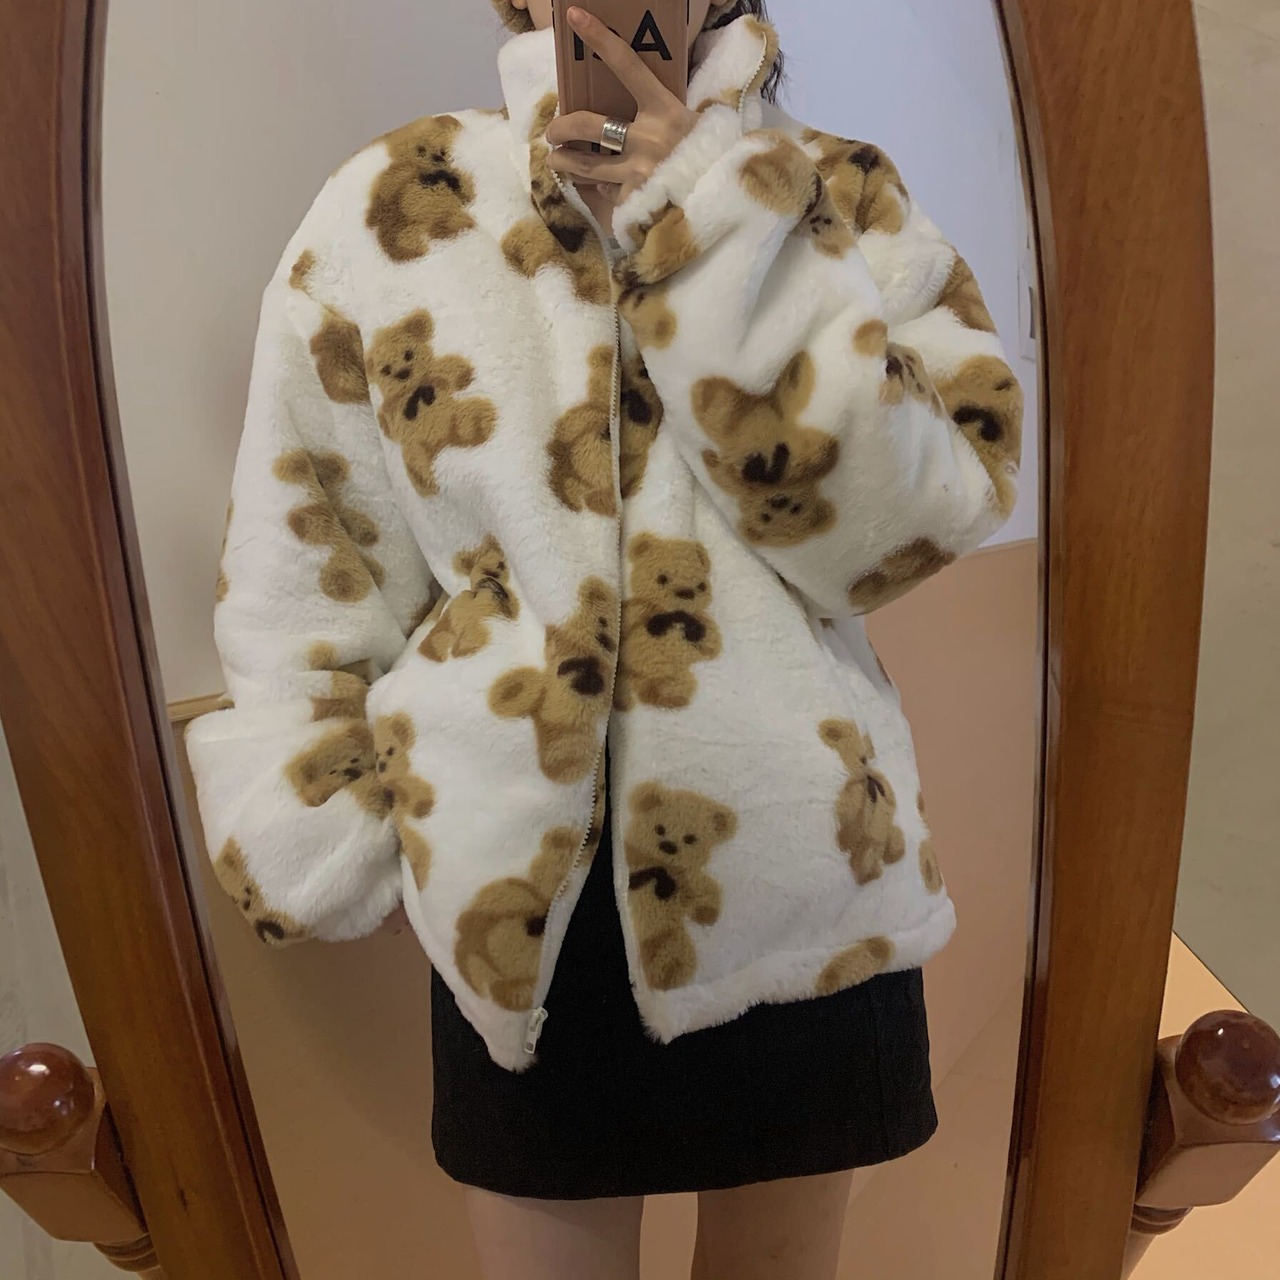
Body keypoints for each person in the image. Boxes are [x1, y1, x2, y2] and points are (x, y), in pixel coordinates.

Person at [186, 0, 1023, 1275]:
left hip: (802, 878)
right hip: (519, 906)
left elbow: (904, 526)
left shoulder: (839, 193)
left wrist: (715, 220)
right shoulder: (394, 205)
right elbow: (311, 547)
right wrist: (325, 806)